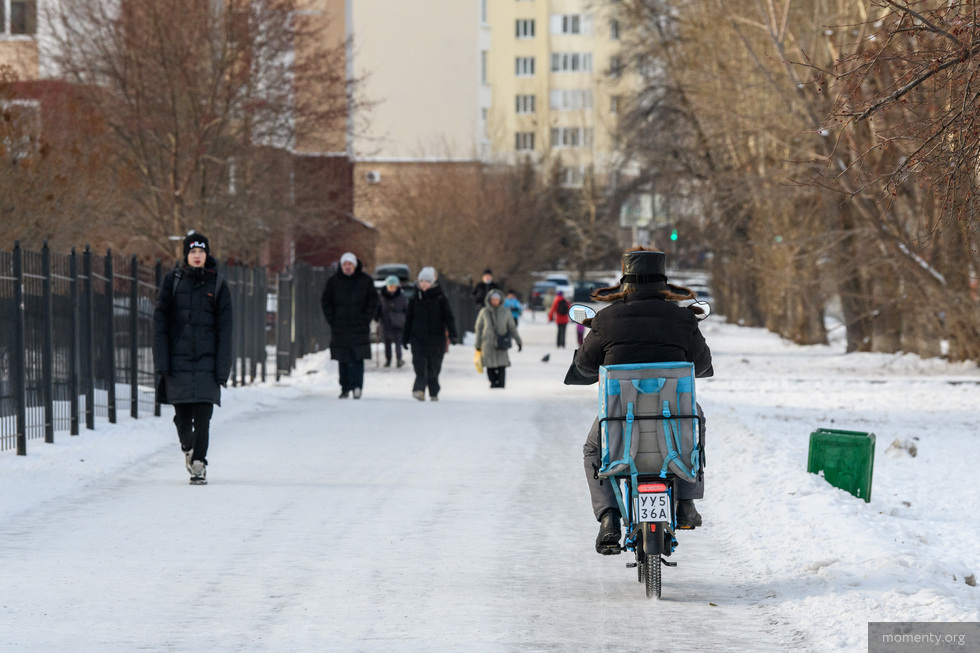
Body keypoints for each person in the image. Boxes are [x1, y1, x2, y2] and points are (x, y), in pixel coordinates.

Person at [564, 247, 713, 555]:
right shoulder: (684, 319)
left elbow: (586, 366)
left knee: (593, 450)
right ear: (663, 285)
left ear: (625, 283)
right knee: (695, 421)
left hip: (620, 419)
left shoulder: (605, 320)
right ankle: (685, 502)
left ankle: (609, 518)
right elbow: (702, 365)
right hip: (674, 418)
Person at [153, 231, 233, 485]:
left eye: (201, 251)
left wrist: (223, 369)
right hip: (178, 362)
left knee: (204, 417)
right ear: (186, 255)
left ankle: (199, 463)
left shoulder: (218, 284)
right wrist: (162, 362)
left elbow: (226, 329)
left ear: (207, 254)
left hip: (207, 363)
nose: (197, 256)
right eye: (192, 252)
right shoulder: (172, 281)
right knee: (183, 418)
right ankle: (188, 447)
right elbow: (159, 322)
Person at [321, 251, 379, 399]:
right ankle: (345, 387)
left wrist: (366, 317)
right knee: (343, 358)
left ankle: (357, 386)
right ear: (341, 266)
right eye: (345, 264)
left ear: (355, 265)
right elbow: (326, 301)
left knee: (357, 357)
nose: (347, 267)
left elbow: (373, 301)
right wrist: (332, 318)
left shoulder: (365, 281)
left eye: (350, 264)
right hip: (340, 326)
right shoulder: (333, 281)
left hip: (359, 326)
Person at [402, 267, 458, 401]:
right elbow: (409, 319)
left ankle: (433, 391)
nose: (423, 284)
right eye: (421, 281)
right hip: (418, 338)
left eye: (426, 281)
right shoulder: (414, 299)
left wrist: (452, 334)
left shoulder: (440, 298)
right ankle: (419, 389)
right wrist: (405, 338)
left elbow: (448, 317)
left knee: (433, 366)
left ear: (432, 282)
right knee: (419, 364)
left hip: (436, 338)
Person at [474, 288, 522, 388]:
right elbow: (479, 328)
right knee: (489, 365)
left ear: (500, 300)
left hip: (501, 343)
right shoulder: (484, 312)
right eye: (493, 300)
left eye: (497, 299)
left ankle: (501, 383)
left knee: (502, 365)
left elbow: (512, 328)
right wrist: (478, 344)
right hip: (488, 343)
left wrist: (518, 341)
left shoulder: (506, 312)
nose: (495, 302)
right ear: (489, 300)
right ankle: (492, 382)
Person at [377, 275, 408, 368]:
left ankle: (399, 359)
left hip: (398, 322)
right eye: (390, 286)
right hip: (386, 322)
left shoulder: (401, 296)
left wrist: (406, 319)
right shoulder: (382, 296)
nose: (392, 288)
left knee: (398, 341)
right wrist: (376, 316)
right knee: (387, 342)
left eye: (394, 286)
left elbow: (406, 309)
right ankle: (388, 359)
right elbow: (378, 308)